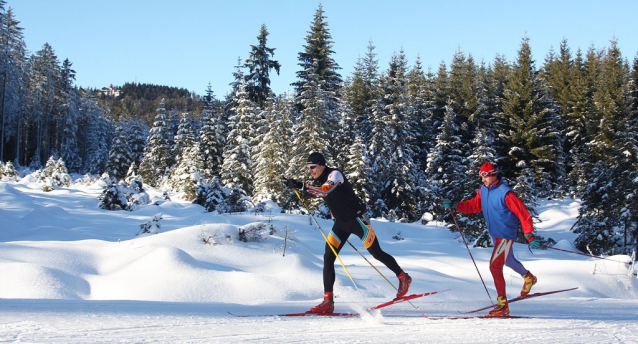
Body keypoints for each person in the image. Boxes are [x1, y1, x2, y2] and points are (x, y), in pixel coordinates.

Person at [286, 152, 412, 313]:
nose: (310, 171)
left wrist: (301, 185)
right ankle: (328, 301)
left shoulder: (335, 174)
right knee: (328, 257)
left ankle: (403, 277)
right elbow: (323, 193)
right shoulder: (317, 180)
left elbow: (325, 190)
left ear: (322, 165)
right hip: (341, 224)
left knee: (376, 253)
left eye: (312, 167)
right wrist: (295, 185)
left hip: (358, 220)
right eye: (308, 168)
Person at [443, 162, 541, 317]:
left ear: (492, 174)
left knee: (495, 266)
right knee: (508, 261)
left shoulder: (505, 193)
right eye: (481, 176)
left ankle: (503, 305)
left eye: (484, 176)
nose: (482, 180)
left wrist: (529, 235)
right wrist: (456, 205)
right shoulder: (484, 190)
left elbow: (524, 214)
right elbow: (474, 205)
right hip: (496, 234)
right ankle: (529, 277)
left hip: (505, 235)